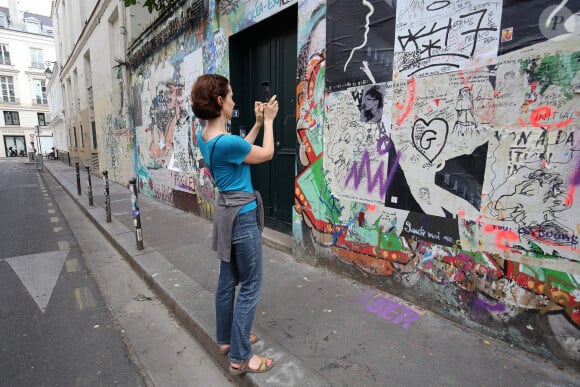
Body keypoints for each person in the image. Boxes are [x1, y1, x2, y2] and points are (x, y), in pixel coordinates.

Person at [191, 74, 278, 375]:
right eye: (230, 96)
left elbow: (238, 152)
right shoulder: (225, 141)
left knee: (227, 281)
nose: (234, 101)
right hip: (241, 218)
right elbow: (265, 153)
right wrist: (268, 121)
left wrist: (254, 123)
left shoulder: (205, 137)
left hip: (226, 214)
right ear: (219, 102)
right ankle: (241, 357)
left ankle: (226, 339)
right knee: (251, 285)